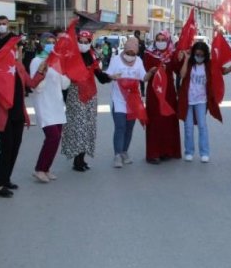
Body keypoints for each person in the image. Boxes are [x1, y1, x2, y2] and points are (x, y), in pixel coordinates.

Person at [0, 15, 32, 198]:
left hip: (17, 113)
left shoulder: (18, 67)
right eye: (13, 50)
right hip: (3, 113)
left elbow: (31, 83)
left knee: (15, 146)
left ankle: (7, 178)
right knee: (6, 146)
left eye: (16, 50)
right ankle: (0, 184)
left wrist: (43, 71)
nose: (15, 52)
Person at [178, 42, 231, 163]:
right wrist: (186, 59)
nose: (199, 57)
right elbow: (182, 74)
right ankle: (189, 152)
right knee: (188, 127)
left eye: (201, 55)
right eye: (196, 54)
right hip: (187, 100)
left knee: (202, 126)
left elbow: (224, 71)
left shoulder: (209, 65)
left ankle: (204, 152)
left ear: (205, 55)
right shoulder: (190, 64)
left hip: (201, 100)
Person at [62, 30, 112, 171]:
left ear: (90, 43)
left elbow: (99, 75)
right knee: (78, 128)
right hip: (76, 96)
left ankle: (82, 159)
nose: (83, 44)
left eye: (86, 42)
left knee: (88, 127)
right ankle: (76, 161)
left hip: (90, 95)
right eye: (81, 42)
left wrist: (111, 77)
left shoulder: (92, 56)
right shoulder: (71, 57)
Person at [106, 37, 155, 168]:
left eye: (133, 54)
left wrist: (150, 73)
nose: (131, 56)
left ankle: (124, 152)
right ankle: (117, 155)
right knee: (120, 127)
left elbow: (143, 78)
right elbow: (108, 74)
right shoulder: (115, 60)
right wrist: (113, 77)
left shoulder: (138, 61)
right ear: (125, 50)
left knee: (129, 128)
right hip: (119, 100)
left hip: (133, 100)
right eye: (128, 53)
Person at [29, 33, 71, 182]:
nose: (51, 45)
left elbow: (65, 84)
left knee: (56, 137)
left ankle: (46, 168)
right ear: (41, 43)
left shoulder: (57, 61)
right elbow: (36, 86)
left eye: (54, 42)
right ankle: (39, 169)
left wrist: (65, 69)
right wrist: (42, 71)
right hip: (44, 104)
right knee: (52, 136)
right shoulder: (36, 61)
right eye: (48, 42)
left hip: (57, 104)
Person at [142, 31, 182, 164]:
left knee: (168, 120)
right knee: (155, 121)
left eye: (163, 39)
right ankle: (153, 153)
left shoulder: (172, 54)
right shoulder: (149, 54)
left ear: (168, 40)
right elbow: (145, 73)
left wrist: (183, 58)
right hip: (154, 92)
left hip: (169, 91)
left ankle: (167, 151)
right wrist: (152, 71)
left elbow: (179, 70)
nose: (160, 42)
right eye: (158, 39)